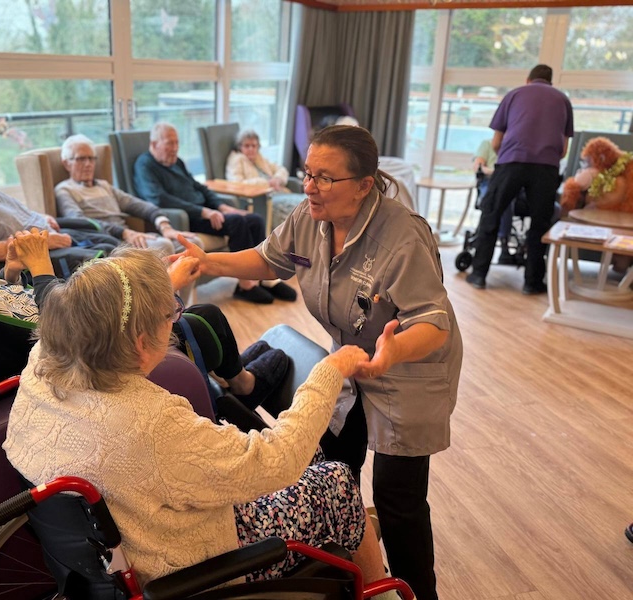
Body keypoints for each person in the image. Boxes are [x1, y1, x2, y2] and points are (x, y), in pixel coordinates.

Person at [172, 124, 463, 600]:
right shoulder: (311, 216)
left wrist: (392, 353)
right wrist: (210, 262)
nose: (309, 186)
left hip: (410, 366)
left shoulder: (402, 236)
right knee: (333, 467)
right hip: (351, 359)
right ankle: (343, 572)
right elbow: (270, 260)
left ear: (364, 184)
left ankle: (416, 594)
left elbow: (434, 322)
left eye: (325, 178)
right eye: (308, 173)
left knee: (398, 501)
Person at [3, 247, 389, 592]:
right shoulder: (151, 422)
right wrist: (330, 369)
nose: (175, 320)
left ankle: (352, 532)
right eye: (170, 313)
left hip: (117, 539)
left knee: (314, 453)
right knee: (337, 480)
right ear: (139, 342)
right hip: (185, 561)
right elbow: (279, 459)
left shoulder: (43, 361)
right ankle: (379, 584)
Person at [0, 183, 289, 409]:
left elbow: (10, 315)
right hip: (83, 355)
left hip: (73, 332)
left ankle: (225, 379)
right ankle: (242, 384)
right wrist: (41, 269)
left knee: (193, 310)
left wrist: (13, 271)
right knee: (202, 316)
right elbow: (53, 334)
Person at [133, 122, 296, 305]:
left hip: (205, 211)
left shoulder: (177, 162)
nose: (175, 148)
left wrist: (221, 207)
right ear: (154, 144)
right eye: (170, 143)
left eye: (177, 143)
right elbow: (159, 199)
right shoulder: (145, 165)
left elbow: (199, 187)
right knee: (237, 223)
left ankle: (267, 280)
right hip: (187, 218)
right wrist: (203, 212)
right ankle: (245, 286)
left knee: (254, 219)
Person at [0, 130, 119, 277]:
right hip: (38, 252)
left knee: (111, 243)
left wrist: (41, 216)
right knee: (107, 258)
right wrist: (44, 242)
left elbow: (16, 211)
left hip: (47, 233)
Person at [466, 64, 574, 295]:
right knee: (540, 224)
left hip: (511, 161)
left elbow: (496, 142)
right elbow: (563, 149)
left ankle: (478, 275)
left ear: (528, 79)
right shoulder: (563, 101)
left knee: (492, 214)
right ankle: (532, 282)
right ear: (550, 81)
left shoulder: (514, 94)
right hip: (546, 167)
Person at [56, 134, 198, 256]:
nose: (88, 164)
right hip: (107, 242)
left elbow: (137, 205)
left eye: (91, 158)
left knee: (192, 244)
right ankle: (169, 288)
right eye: (81, 159)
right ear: (66, 163)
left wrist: (164, 225)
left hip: (128, 237)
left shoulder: (104, 186)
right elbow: (80, 222)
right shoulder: (65, 190)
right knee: (163, 247)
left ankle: (179, 289)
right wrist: (123, 232)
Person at [225, 129, 305, 227]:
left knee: (305, 204)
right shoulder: (236, 160)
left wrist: (278, 179)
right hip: (264, 199)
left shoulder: (259, 158)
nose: (251, 149)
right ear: (240, 147)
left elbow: (280, 169)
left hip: (278, 192)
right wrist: (267, 183)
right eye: (247, 146)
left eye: (254, 146)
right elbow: (237, 183)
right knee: (298, 211)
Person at [473, 139, 515, 265]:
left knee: (507, 198)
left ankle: (503, 240)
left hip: (510, 184)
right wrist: (496, 172)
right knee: (498, 199)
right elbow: (478, 166)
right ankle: (503, 241)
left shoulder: (515, 148)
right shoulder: (487, 144)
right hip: (490, 181)